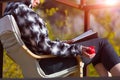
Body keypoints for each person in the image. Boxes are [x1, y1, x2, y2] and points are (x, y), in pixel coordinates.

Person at [3, 0, 120, 77]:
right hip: (47, 66)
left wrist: (64, 43)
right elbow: (44, 46)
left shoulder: (9, 11)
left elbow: (38, 44)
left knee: (97, 52)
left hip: (36, 64)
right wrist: (77, 49)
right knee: (102, 44)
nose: (38, 2)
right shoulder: (24, 12)